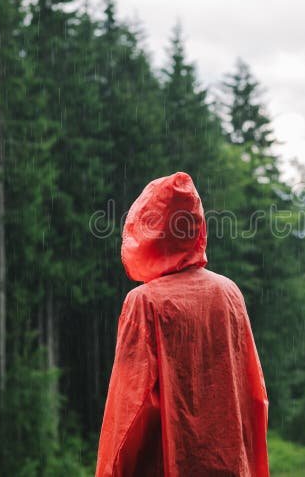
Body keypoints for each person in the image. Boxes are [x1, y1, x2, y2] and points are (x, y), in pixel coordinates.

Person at [95, 172, 269, 477]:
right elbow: (253, 393)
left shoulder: (145, 303)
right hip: (229, 466)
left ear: (148, 228)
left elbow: (128, 415)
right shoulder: (229, 293)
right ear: (197, 227)